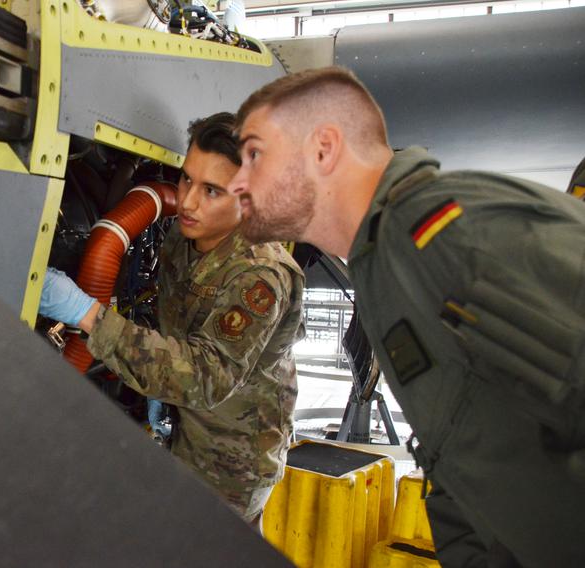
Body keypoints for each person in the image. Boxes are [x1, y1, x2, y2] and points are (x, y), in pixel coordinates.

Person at [228, 65, 585, 566]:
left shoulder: (444, 238)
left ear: (323, 149)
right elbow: (471, 456)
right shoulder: (385, 269)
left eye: (254, 155)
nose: (238, 181)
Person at [39, 112, 305, 524]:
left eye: (212, 190)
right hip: (184, 426)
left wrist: (85, 312)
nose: (190, 200)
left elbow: (203, 377)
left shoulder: (261, 275)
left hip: (231, 458)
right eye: (186, 179)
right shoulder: (186, 236)